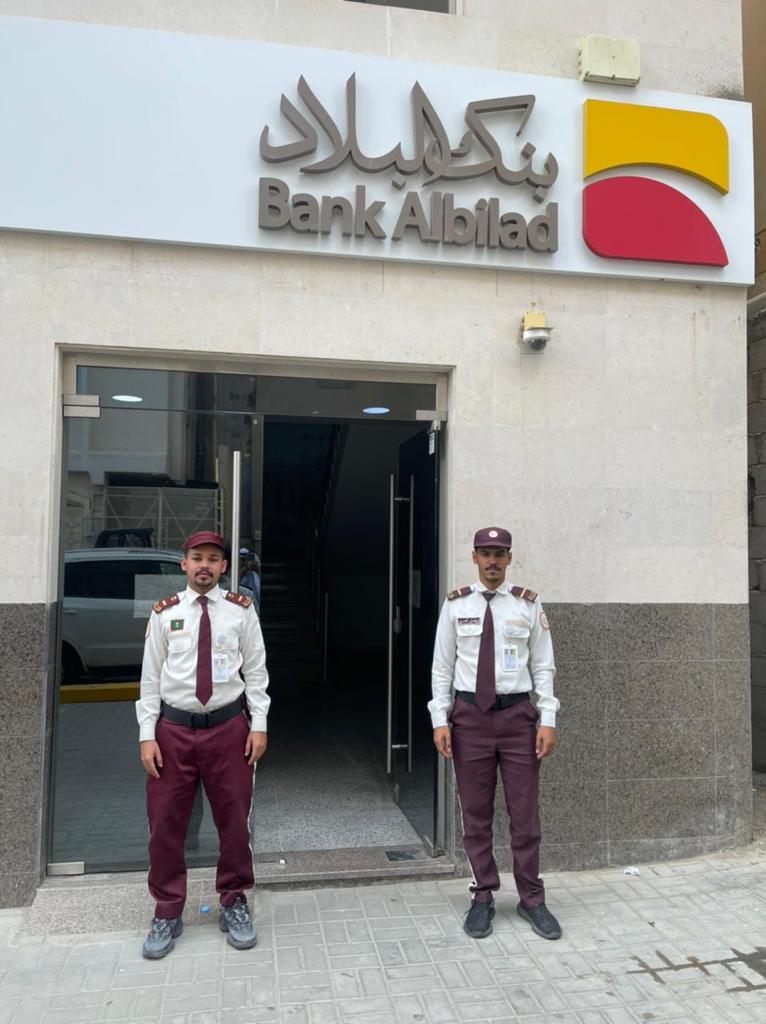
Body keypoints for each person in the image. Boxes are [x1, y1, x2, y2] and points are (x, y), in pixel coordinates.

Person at [136, 530, 270, 959]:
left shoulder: (240, 611)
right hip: (172, 732)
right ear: (184, 564)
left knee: (233, 821)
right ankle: (166, 909)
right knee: (165, 823)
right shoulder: (165, 613)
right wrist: (146, 734)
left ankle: (233, 900)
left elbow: (257, 673)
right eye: (197, 558)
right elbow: (150, 680)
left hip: (228, 729)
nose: (205, 566)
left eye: (213, 559)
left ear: (224, 567)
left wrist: (259, 725)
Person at [429, 527, 561, 941]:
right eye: (485, 553)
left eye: (499, 554)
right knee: (475, 814)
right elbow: (442, 667)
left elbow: (543, 665)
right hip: (470, 718)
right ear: (474, 558)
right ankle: (482, 895)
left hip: (517, 717)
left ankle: (532, 898)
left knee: (525, 815)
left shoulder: (527, 604)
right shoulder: (456, 605)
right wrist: (439, 718)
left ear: (509, 558)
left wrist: (548, 717)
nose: (492, 561)